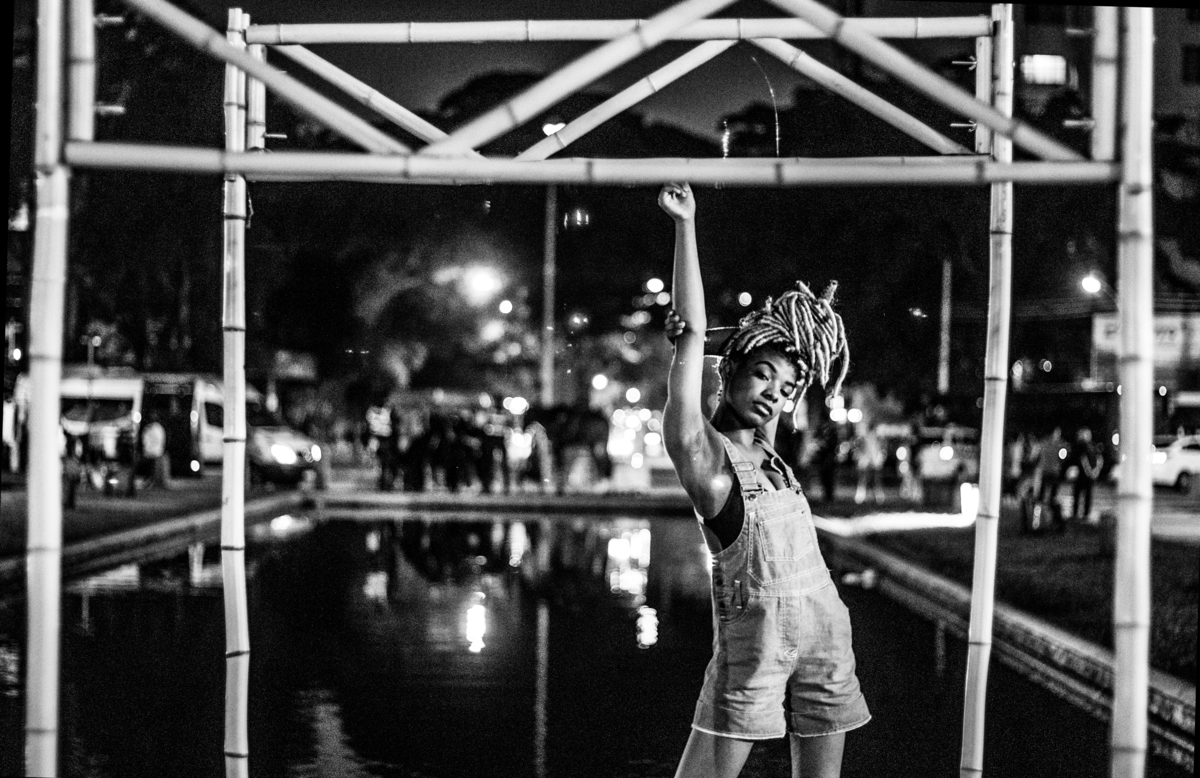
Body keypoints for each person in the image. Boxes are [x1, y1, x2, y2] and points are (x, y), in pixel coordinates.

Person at [658, 182, 869, 778]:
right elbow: (693, 334)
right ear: (729, 372)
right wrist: (685, 225)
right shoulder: (707, 460)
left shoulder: (770, 452)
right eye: (762, 376)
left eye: (786, 387)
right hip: (755, 648)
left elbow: (772, 353)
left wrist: (754, 343)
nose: (774, 395)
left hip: (827, 638)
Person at [1071, 427, 1104, 523]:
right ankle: (1083, 515)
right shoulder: (1092, 446)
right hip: (1087, 474)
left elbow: (1085, 460)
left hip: (1083, 474)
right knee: (1085, 494)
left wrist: (1093, 471)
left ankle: (1078, 515)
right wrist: (1095, 471)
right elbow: (1098, 459)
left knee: (1081, 494)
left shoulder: (1085, 446)